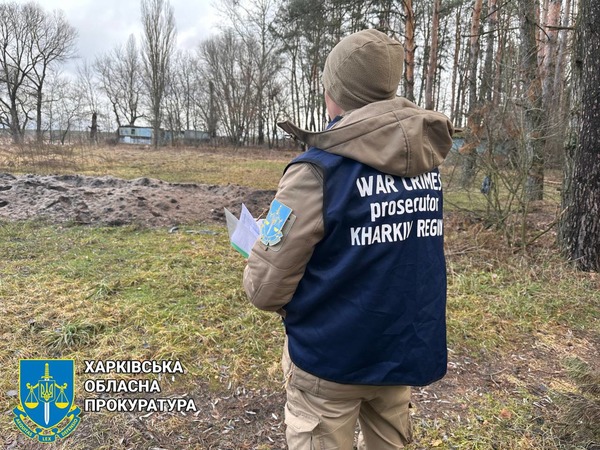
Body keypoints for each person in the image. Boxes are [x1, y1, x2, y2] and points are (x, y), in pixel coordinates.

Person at [243, 28, 453, 449]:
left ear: (336, 91)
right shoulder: (424, 165)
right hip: (399, 353)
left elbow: (264, 289)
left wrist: (262, 246)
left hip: (330, 360)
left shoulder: (315, 171)